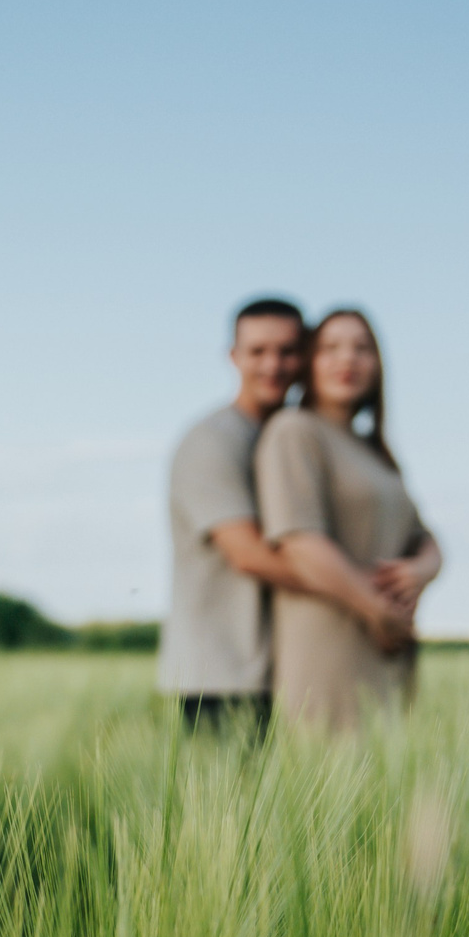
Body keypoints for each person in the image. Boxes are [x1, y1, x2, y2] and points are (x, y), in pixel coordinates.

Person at [255, 307, 440, 732]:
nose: (348, 359)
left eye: (362, 348)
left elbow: (424, 536)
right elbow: (299, 542)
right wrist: (378, 611)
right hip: (327, 643)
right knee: (325, 759)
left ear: (378, 365)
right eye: (330, 348)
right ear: (309, 362)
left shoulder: (375, 452)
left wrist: (421, 570)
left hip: (386, 646)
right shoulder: (294, 431)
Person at [158, 297, 312, 735]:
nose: (273, 365)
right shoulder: (211, 441)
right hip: (221, 674)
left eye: (287, 351)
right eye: (258, 351)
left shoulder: (297, 438)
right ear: (233, 356)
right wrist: (363, 600)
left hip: (285, 670)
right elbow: (248, 554)